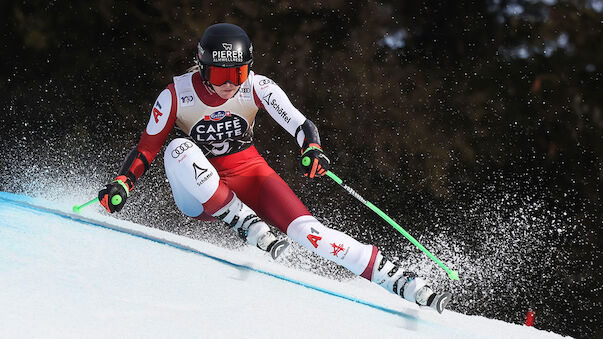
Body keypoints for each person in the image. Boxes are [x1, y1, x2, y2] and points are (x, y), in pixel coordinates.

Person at [98, 23, 452, 313]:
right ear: (202, 67)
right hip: (199, 190)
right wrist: (122, 185)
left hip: (252, 175)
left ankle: (399, 280)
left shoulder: (257, 87)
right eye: (219, 73)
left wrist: (311, 149)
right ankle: (241, 220)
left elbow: (300, 124)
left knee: (310, 233)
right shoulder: (175, 94)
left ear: (247, 68)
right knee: (177, 148)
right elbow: (147, 148)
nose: (227, 84)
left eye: (236, 73)